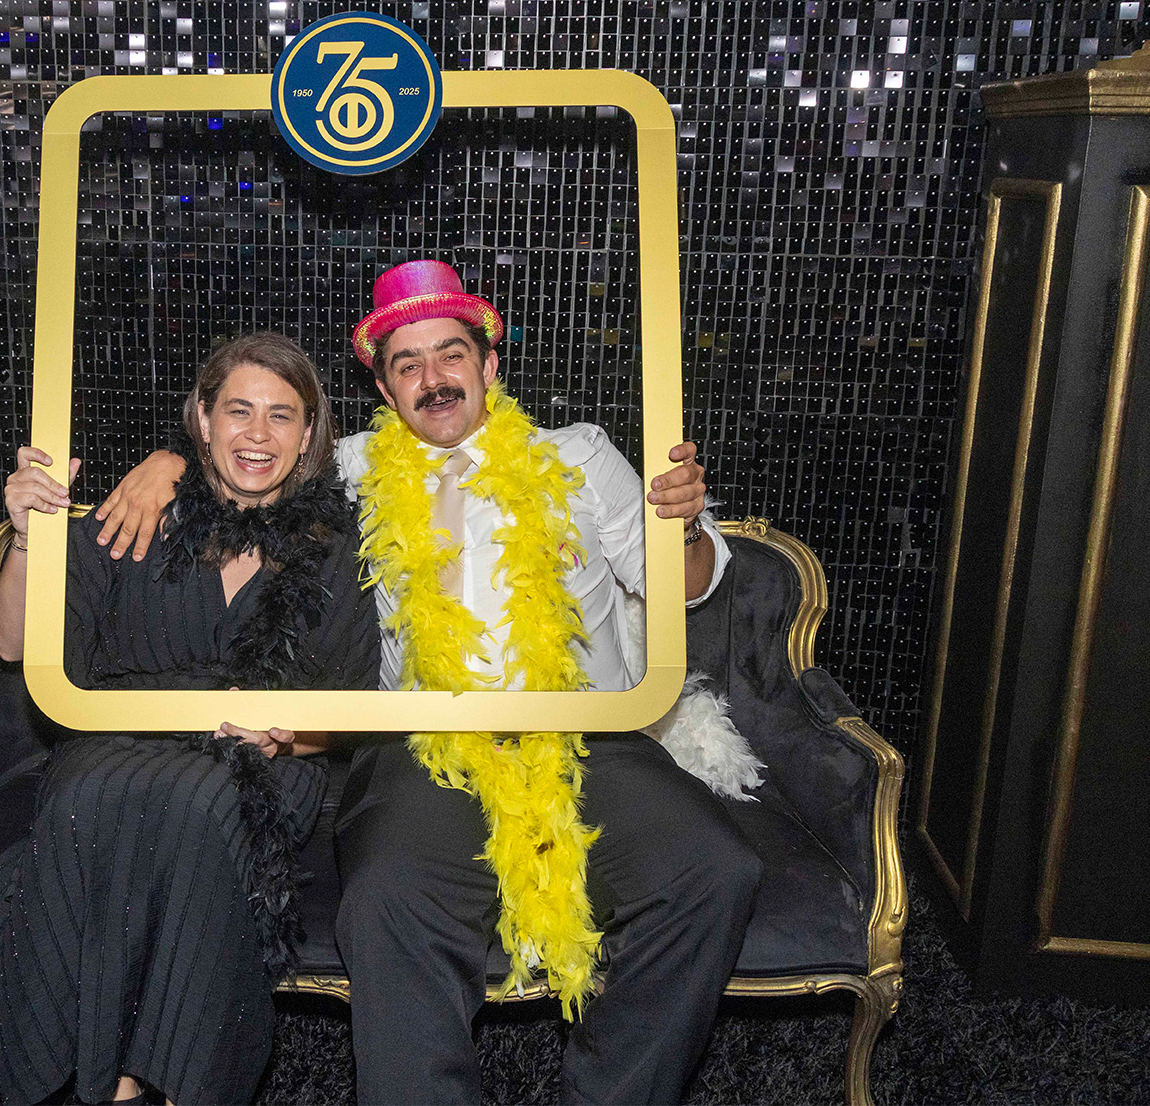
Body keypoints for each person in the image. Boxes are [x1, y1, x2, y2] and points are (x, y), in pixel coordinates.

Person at [96, 261, 761, 1104]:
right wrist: (168, 463)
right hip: (418, 747)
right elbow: (249, 464)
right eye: (407, 364)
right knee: (383, 902)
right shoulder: (350, 470)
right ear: (383, 387)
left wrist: (684, 527)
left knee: (715, 869)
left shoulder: (580, 455)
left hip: (587, 735)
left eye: (451, 354)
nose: (433, 378)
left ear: (489, 366)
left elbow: (687, 587)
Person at [0, 332, 381, 1106]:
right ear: (204, 421)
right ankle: (110, 1077)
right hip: (119, 738)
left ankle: (175, 1081)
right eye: (238, 410)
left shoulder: (338, 548)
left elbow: (352, 706)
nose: (258, 433)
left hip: (263, 762)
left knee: (199, 803)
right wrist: (27, 538)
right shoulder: (137, 510)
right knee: (94, 795)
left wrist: (288, 731)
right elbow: (16, 643)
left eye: (281, 415)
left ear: (309, 432)